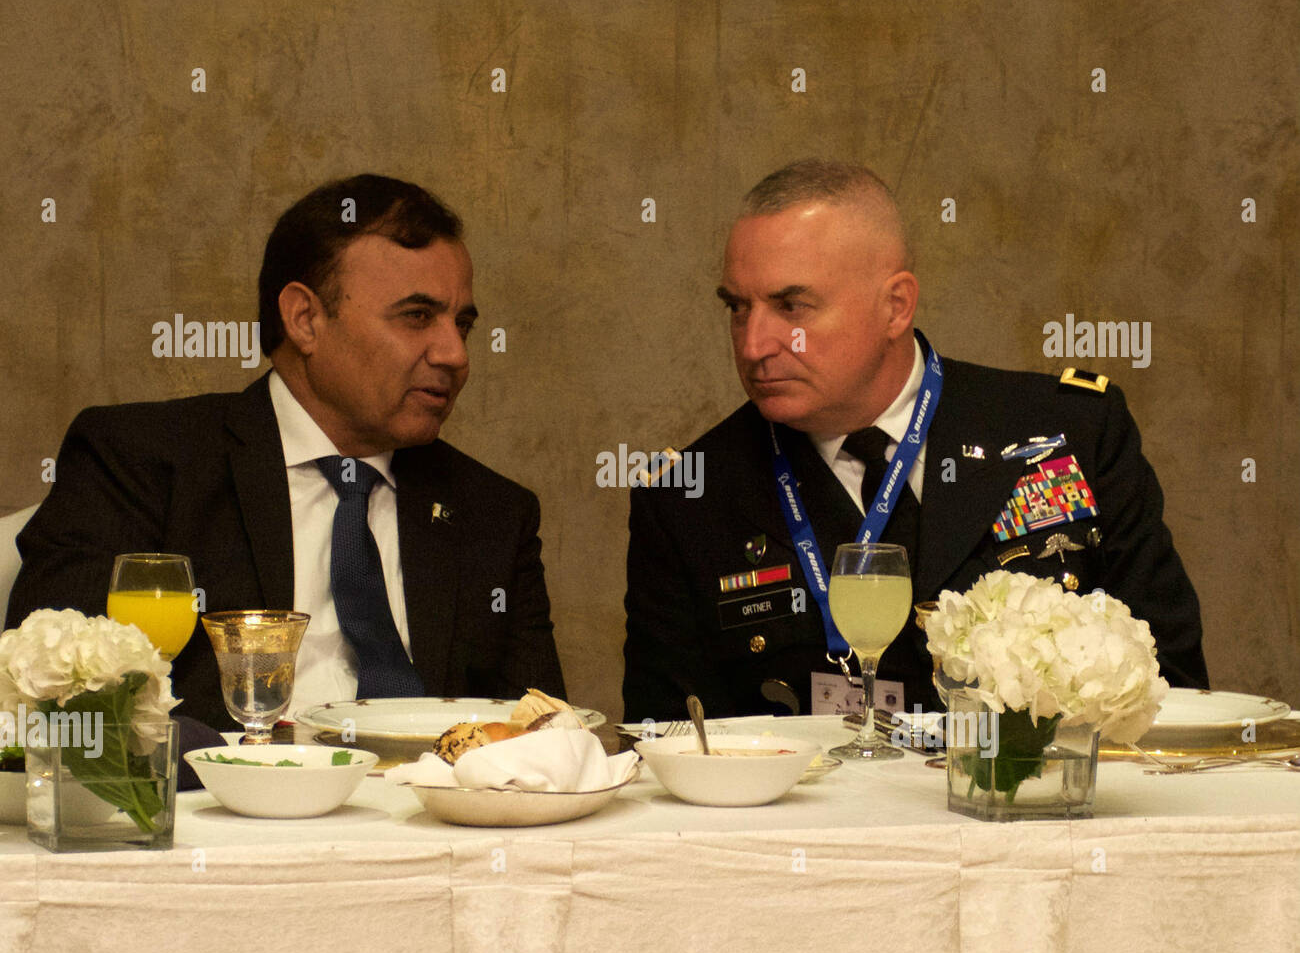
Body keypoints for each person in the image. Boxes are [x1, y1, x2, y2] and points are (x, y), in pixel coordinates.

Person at [623, 159, 1208, 723]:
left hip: (1040, 814)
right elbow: (670, 743)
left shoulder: (1067, 431)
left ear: (895, 306)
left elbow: (1169, 691)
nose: (753, 345)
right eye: (737, 308)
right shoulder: (690, 496)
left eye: (791, 306)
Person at [7, 174, 565, 752]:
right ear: (304, 319)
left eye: (462, 324)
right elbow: (49, 700)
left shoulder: (494, 512)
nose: (455, 354)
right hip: (223, 825)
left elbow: (545, 737)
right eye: (417, 317)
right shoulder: (142, 462)